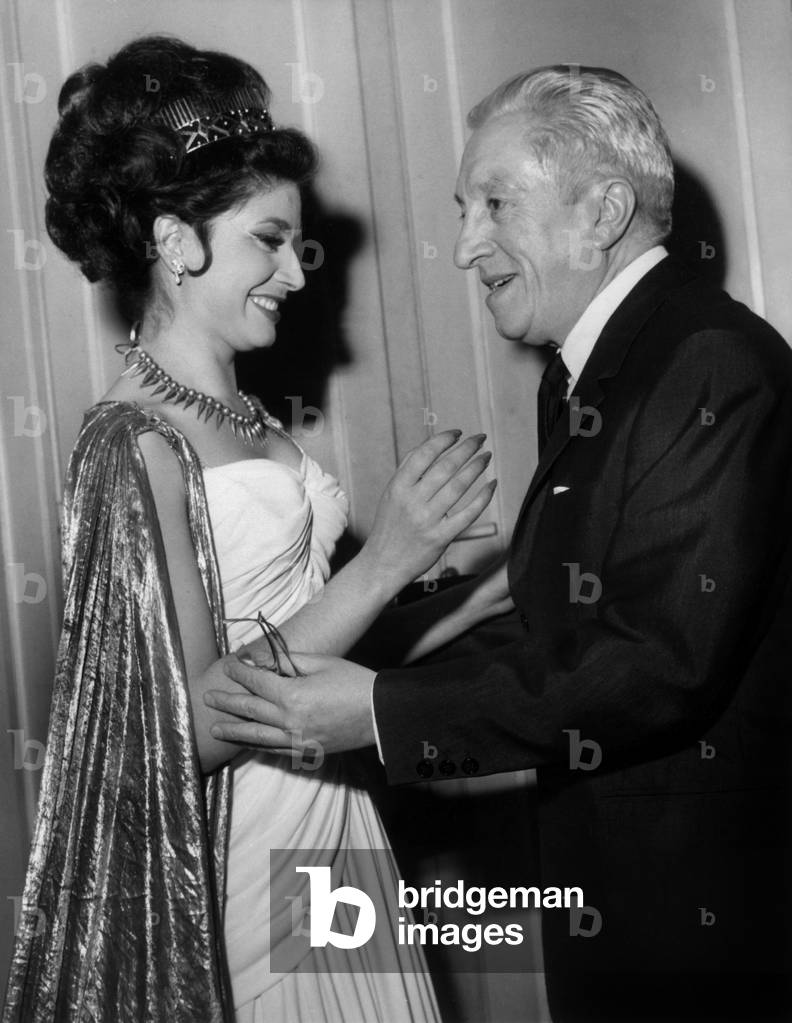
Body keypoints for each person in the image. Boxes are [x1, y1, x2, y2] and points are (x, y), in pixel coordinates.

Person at [210, 66, 792, 1022]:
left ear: (603, 210)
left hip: (695, 918)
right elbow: (568, 636)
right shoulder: (592, 367)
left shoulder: (709, 360)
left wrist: (385, 713)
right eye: (462, 207)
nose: (466, 243)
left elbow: (658, 664)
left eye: (494, 203)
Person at [1, 36, 511, 1023]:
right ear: (177, 241)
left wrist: (504, 579)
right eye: (267, 241)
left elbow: (326, 642)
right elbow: (189, 727)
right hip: (240, 859)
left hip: (335, 829)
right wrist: (391, 560)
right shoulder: (131, 443)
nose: (294, 271)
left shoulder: (249, 421)